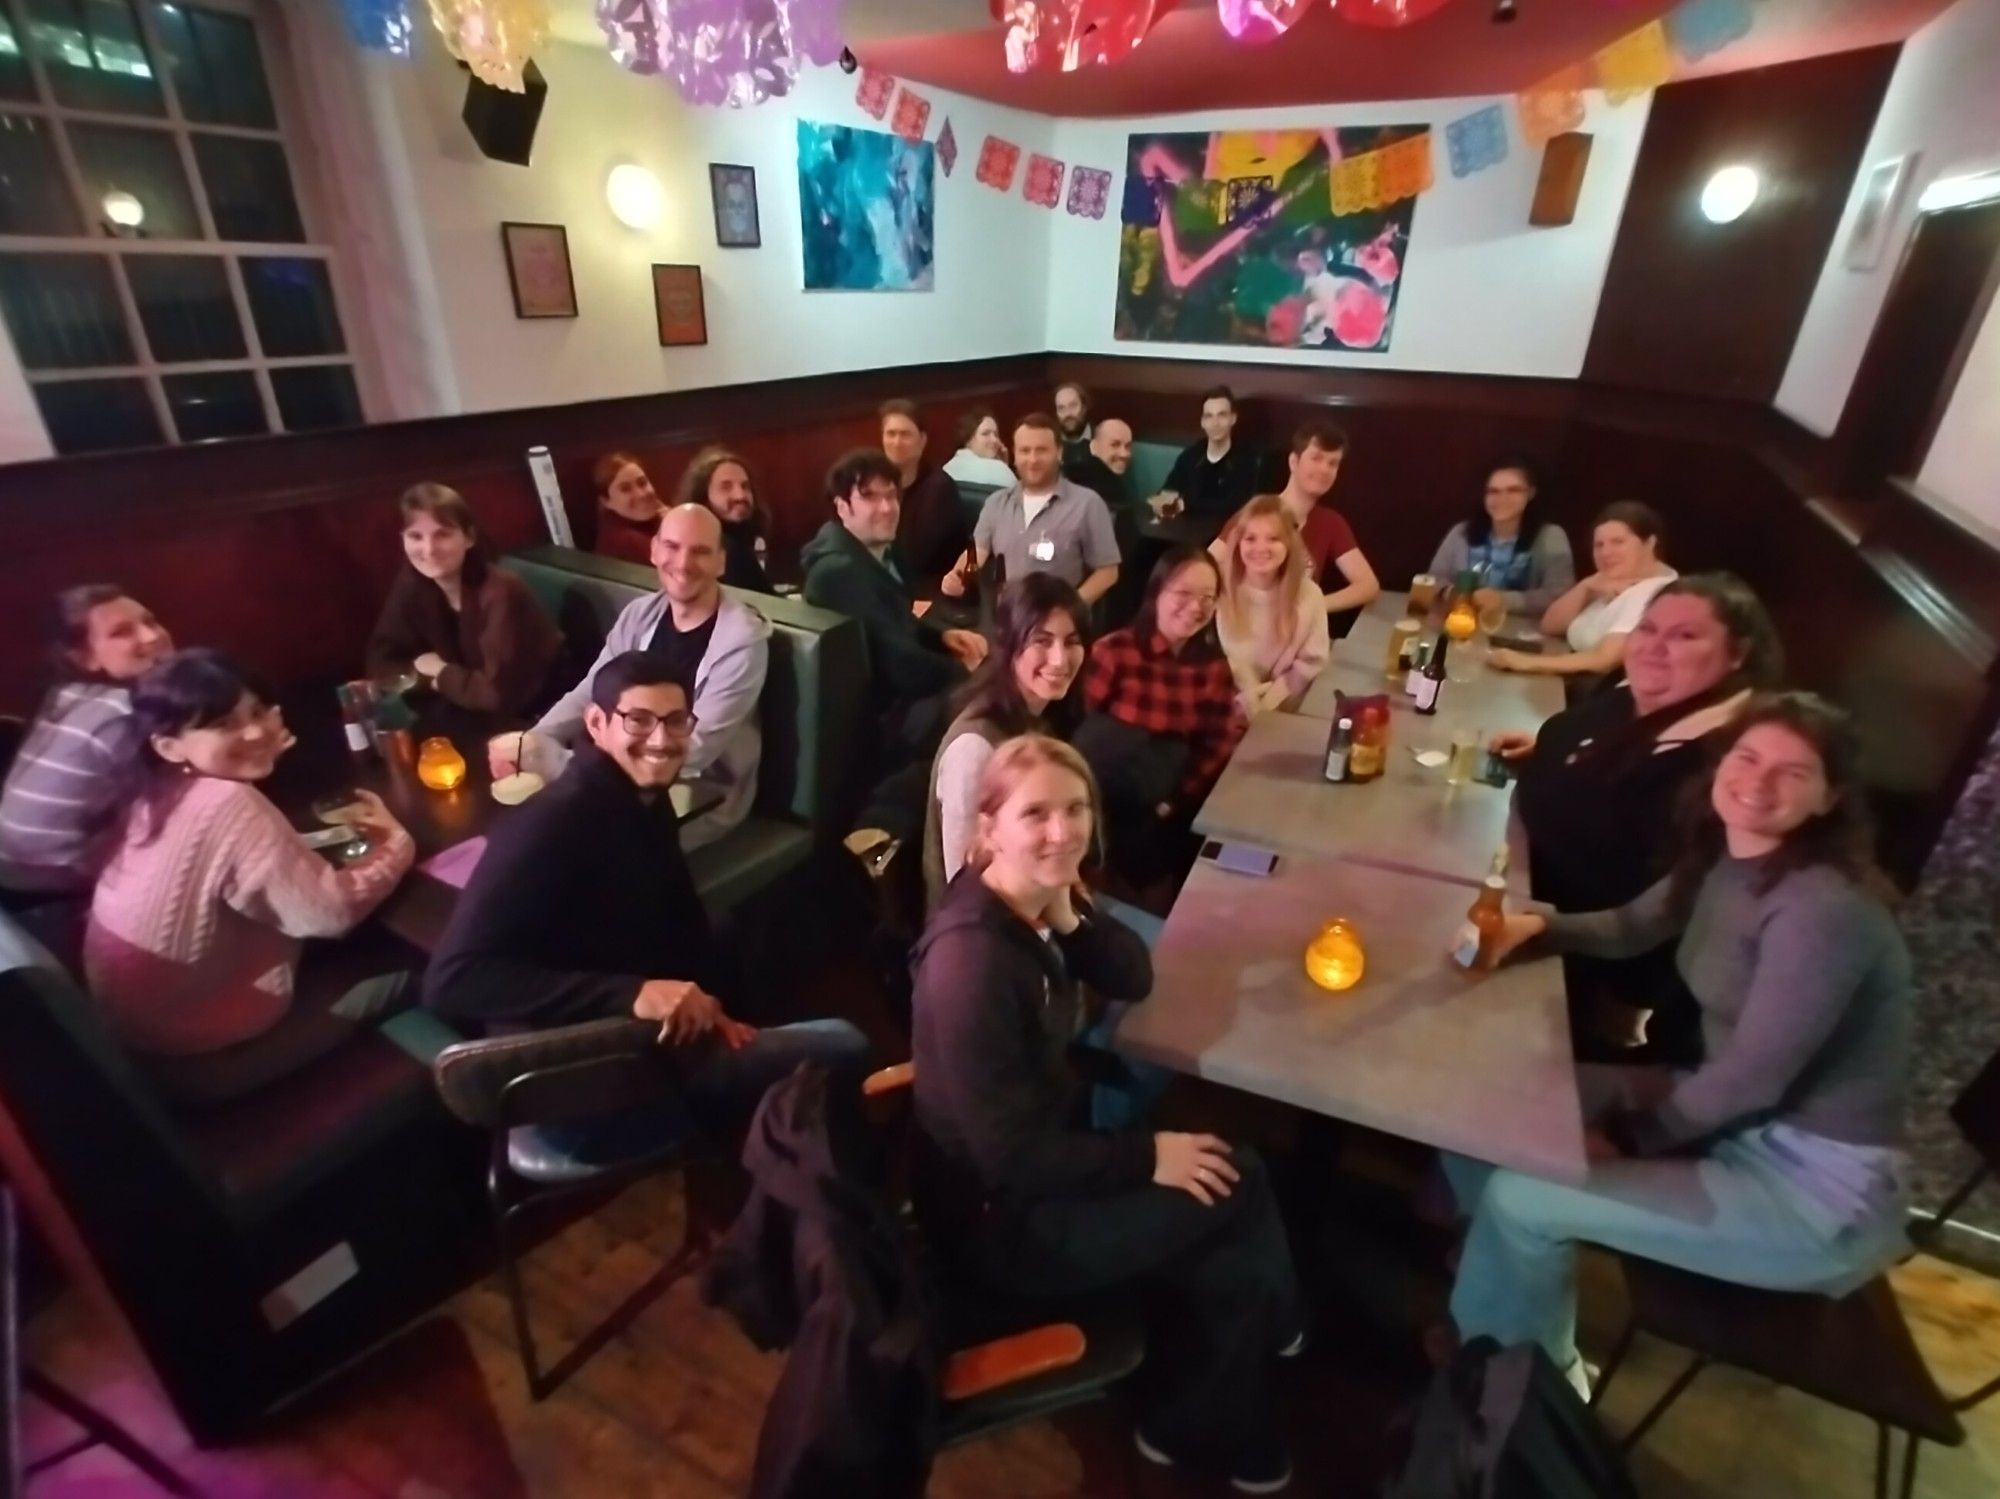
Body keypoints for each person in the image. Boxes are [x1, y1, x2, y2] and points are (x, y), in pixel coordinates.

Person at [1447, 693, 1911, 1397]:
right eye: (1748, 756)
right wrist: (1537, 929)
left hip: (1810, 1189)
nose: (1757, 781)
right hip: (1726, 1115)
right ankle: (1502, 1289)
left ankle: (1535, 1385)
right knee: (1482, 1092)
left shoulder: (1824, 908)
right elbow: (1635, 924)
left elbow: (1752, 1079)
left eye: (1794, 772)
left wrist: (1631, 1138)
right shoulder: (1729, 854)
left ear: (1831, 798)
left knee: (1520, 1196)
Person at [911, 735, 1301, 1493]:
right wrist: (1148, 1159)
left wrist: (1066, 908)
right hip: (1006, 1227)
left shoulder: (1022, 897)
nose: (1063, 830)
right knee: (1238, 1179)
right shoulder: (973, 964)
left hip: (1055, 1153)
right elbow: (1008, 1159)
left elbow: (1135, 974)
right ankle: (1234, 1374)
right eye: (1036, 815)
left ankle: (1225, 1374)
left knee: (1233, 1211)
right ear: (988, 827)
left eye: (1076, 808)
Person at [426, 654, 869, 1161]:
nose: (660, 740)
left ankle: (759, 1121)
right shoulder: (552, 825)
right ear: (597, 723)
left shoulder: (643, 795)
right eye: (637, 720)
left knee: (731, 929)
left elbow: (679, 913)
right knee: (848, 1043)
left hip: (636, 1031)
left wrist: (713, 1007)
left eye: (675, 721)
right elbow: (451, 982)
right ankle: (774, 1160)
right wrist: (632, 993)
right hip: (585, 1083)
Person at [84, 650, 415, 1103]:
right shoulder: (226, 803)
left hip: (139, 1038)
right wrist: (397, 842)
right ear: (168, 745)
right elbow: (328, 915)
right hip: (204, 1059)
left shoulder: (150, 792)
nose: (257, 730)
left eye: (258, 712)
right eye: (223, 725)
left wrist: (251, 761)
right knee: (422, 963)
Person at [1492, 575, 1784, 1064]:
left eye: (1685, 636)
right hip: (1520, 885)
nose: (1655, 646)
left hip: (1574, 965)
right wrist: (1546, 758)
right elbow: (1595, 754)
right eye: (1648, 629)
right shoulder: (1644, 695)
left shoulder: (1725, 762)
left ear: (1738, 654)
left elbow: (1652, 918)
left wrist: (1544, 930)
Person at [495, 504, 770, 851]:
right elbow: (592, 691)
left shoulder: (741, 640)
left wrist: (557, 762)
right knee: (530, 828)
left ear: (721, 561)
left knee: (572, 847)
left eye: (700, 551)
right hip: (625, 778)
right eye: (671, 547)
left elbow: (693, 749)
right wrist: (531, 741)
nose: (683, 564)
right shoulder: (640, 614)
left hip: (702, 795)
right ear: (654, 550)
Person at [799, 449, 986, 757]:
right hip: (873, 722)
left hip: (894, 696)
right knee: (990, 703)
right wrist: (965, 673)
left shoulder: (884, 548)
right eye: (870, 497)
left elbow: (892, 616)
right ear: (842, 507)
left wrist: (941, 637)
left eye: (891, 496)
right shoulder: (838, 571)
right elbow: (900, 665)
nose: (887, 508)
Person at [1079, 547, 1244, 892]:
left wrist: (1174, 801)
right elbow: (1081, 723)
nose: (1196, 606)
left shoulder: (1213, 668)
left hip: (1160, 812)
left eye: (1208, 597)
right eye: (1183, 593)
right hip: (1096, 803)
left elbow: (1217, 744)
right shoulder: (1114, 651)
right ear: (1156, 592)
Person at [924, 574, 1089, 910]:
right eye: (1042, 641)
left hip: (1039, 904)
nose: (1060, 660)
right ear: (1010, 645)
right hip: (983, 934)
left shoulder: (1039, 719)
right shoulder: (975, 748)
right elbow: (967, 883)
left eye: (1072, 641)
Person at [0, 585, 172, 895]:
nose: (151, 636)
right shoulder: (122, 711)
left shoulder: (66, 695)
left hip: (10, 863)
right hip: (48, 877)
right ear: (84, 657)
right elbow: (168, 795)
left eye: (151, 621)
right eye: (122, 632)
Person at [365, 483, 563, 719]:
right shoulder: (413, 581)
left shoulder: (502, 590)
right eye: (415, 536)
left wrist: (439, 672)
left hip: (538, 715)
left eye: (443, 534)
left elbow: (496, 696)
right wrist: (441, 681)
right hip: (467, 711)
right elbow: (382, 664)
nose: (428, 550)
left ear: (469, 538)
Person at [942, 415, 1120, 606]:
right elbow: (977, 551)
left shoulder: (1088, 504)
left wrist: (1072, 608)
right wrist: (958, 575)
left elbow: (1108, 572)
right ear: (1015, 455)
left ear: (1059, 453)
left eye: (1041, 450)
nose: (1032, 459)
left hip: (1057, 623)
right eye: (1025, 451)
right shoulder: (996, 502)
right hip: (1007, 615)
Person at [1490, 502, 1674, 681]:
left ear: (1649, 543)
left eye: (1618, 542)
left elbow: (1604, 660)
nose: (1606, 552)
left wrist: (1525, 662)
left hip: (1596, 694)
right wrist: (1586, 586)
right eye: (1599, 545)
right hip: (1567, 682)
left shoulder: (1654, 592)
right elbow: (1550, 625)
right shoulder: (1614, 580)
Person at [1223, 419, 1379, 623]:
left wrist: (1311, 606)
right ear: (1293, 462)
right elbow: (1207, 566)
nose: (1324, 469)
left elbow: (1368, 585)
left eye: (1333, 463)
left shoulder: (1331, 522)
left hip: (1298, 632)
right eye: (1316, 458)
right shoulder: (1257, 512)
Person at [1211, 496, 1329, 719]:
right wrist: (1245, 699)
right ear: (1238, 543)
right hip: (1222, 711)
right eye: (1251, 538)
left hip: (1281, 713)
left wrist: (1264, 707)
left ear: (1289, 544)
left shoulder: (1310, 595)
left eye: (1273, 538)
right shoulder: (1218, 589)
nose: (1261, 548)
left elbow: (1310, 664)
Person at [1426, 458, 1575, 620]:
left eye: (1513, 490)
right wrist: (1454, 593)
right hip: (1458, 622)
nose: (1502, 498)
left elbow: (1561, 596)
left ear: (1531, 493)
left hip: (1519, 633)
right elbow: (1432, 580)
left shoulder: (1551, 536)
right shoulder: (1461, 532)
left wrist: (1503, 600)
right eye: (1493, 491)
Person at [879, 399, 970, 587]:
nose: (896, 442)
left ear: (922, 440)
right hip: (891, 585)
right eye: (891, 434)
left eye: (905, 435)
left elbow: (914, 559)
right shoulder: (878, 482)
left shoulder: (939, 488)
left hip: (932, 592)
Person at [677, 446, 775, 595]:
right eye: (726, 487)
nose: (740, 495)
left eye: (745, 486)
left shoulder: (742, 541)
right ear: (703, 496)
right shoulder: (724, 551)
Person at [1156, 386, 1260, 520]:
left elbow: (1237, 505)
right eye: (1209, 416)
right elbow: (1166, 492)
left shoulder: (1246, 459)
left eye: (1221, 415)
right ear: (1202, 422)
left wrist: (1185, 505)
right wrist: (1163, 502)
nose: (1215, 423)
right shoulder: (1190, 456)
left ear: (1233, 419)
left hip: (1227, 534)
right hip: (1185, 533)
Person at [593, 450, 664, 566]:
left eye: (642, 483)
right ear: (606, 502)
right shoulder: (626, 543)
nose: (641, 494)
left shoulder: (655, 521)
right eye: (625, 489)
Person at [1062, 416, 1135, 514]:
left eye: (1128, 446)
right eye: (1115, 445)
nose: (1124, 454)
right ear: (1093, 447)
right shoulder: (1090, 490)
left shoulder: (1113, 484)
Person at [942, 408, 1016, 488]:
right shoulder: (1000, 470)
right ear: (967, 439)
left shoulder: (945, 470)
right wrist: (1004, 467)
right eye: (985, 434)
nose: (995, 440)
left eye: (996, 434)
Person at [1053, 380, 1091, 462]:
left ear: (1084, 408)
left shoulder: (1102, 438)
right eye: (1061, 408)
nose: (1067, 414)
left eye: (1073, 406)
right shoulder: (1051, 442)